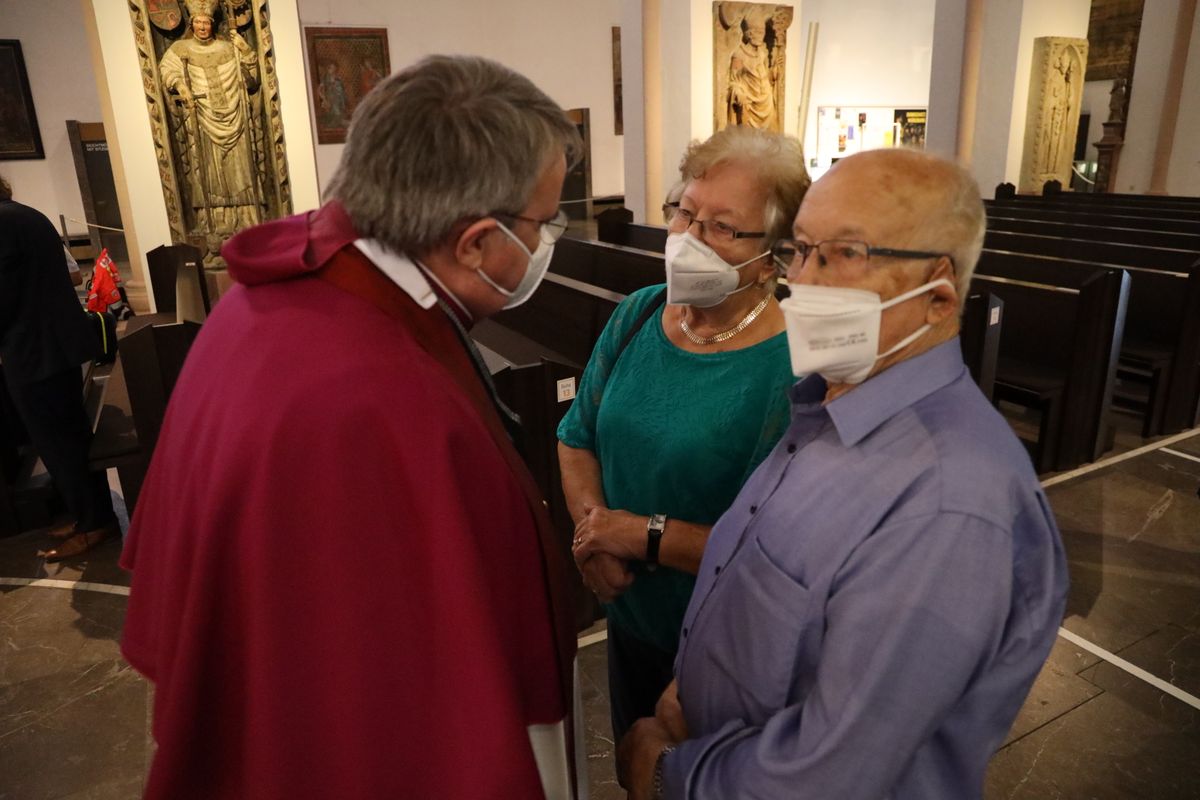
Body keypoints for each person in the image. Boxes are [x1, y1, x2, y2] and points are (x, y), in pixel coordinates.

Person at [120, 55, 584, 799]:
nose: (548, 239)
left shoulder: (273, 298)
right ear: (473, 242)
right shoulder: (370, 400)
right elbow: (382, 714)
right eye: (545, 221)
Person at [618, 148, 1069, 799]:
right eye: (800, 250)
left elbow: (833, 772)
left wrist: (666, 776)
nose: (803, 279)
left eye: (845, 253)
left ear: (938, 295)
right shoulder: (829, 404)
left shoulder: (949, 501)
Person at [559, 126, 809, 746]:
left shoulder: (792, 368)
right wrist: (597, 537)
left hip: (724, 648)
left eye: (722, 228)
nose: (689, 240)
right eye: (685, 213)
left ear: (774, 255)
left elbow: (772, 545)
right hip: (630, 622)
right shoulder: (641, 310)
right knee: (635, 769)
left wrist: (638, 534)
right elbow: (577, 436)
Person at [0, 175, 118, 559]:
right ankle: (88, 514)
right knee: (69, 437)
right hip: (55, 345)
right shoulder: (24, 215)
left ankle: (94, 522)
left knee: (59, 443)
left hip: (34, 351)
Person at [159, 0, 263, 241]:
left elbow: (252, 80)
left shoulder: (229, 47)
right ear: (192, 23)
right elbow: (168, 70)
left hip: (235, 118)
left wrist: (246, 51)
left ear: (213, 23)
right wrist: (180, 85)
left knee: (241, 168)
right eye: (198, 22)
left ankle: (247, 218)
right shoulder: (180, 49)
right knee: (210, 170)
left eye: (206, 22)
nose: (203, 27)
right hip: (202, 118)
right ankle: (215, 222)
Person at [727, 11, 779, 130]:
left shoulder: (762, 54)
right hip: (750, 105)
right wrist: (738, 92)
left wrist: (773, 72)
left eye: (763, 33)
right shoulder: (739, 54)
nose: (762, 36)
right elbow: (734, 81)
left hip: (766, 102)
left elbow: (764, 76)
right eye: (759, 32)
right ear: (749, 34)